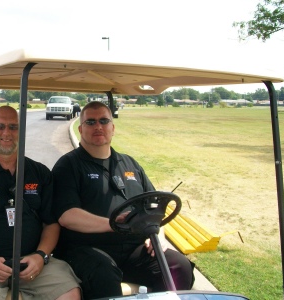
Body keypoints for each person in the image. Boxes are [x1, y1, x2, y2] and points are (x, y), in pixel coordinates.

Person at [52, 101, 194, 299]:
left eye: (104, 120)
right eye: (91, 122)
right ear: (81, 128)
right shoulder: (68, 166)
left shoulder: (130, 164)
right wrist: (113, 224)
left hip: (132, 249)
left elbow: (154, 207)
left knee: (178, 265)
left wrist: (157, 239)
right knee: (103, 274)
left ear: (113, 127)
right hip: (85, 249)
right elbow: (67, 215)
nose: (98, 126)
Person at [0, 106, 81, 300]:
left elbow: (51, 223)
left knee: (70, 293)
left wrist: (40, 256)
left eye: (13, 127)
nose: (7, 133)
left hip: (32, 262)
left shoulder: (40, 173)